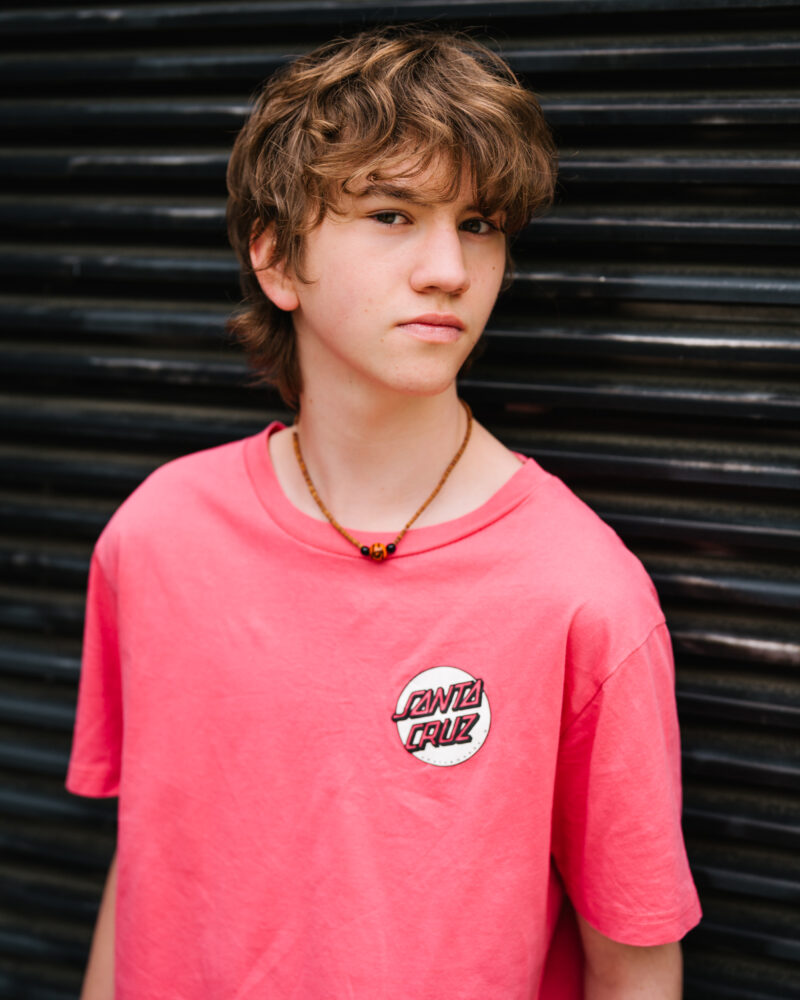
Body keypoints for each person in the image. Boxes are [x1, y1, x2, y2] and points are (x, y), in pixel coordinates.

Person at [68, 26, 701, 999]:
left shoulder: (580, 594)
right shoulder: (156, 536)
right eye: (392, 214)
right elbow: (148, 859)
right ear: (276, 259)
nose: (448, 268)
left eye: (478, 223)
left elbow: (635, 963)